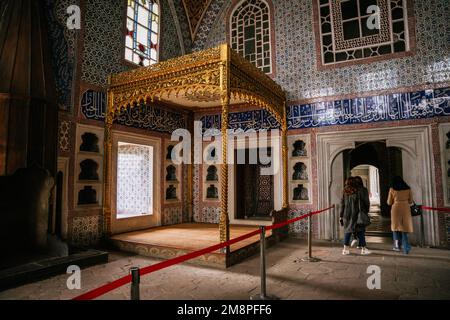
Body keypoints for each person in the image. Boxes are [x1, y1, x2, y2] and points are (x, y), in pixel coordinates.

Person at [339, 177, 371, 255]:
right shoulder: (359, 191)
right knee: (360, 231)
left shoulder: (345, 191)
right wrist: (366, 211)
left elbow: (342, 204)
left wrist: (341, 215)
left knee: (347, 231)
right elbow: (366, 203)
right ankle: (363, 249)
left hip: (347, 214)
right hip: (357, 214)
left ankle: (345, 250)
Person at [387, 176, 414, 254]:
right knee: (404, 228)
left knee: (395, 228)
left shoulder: (392, 189)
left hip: (396, 208)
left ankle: (396, 246)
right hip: (405, 208)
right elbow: (411, 201)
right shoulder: (408, 189)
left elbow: (389, 202)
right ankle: (406, 247)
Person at [351, 176, 370, 249]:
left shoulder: (352, 190)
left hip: (353, 212)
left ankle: (357, 240)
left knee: (355, 227)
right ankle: (362, 245)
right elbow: (367, 201)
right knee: (361, 228)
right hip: (362, 211)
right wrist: (367, 210)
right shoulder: (364, 190)